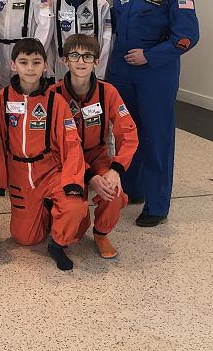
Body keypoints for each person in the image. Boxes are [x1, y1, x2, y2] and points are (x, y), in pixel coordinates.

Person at [107, 0, 199, 227]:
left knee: (156, 136)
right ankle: (133, 188)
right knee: (126, 132)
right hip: (122, 69)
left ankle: (157, 205)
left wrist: (150, 55)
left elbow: (187, 36)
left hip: (154, 74)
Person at [0, 38, 87, 271]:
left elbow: (72, 143)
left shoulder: (55, 101)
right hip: (20, 174)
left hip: (49, 170)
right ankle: (45, 210)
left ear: (45, 65)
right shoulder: (4, 97)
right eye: (24, 62)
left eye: (36, 62)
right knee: (25, 238)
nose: (30, 68)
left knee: (75, 208)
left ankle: (58, 243)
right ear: (13, 65)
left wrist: (73, 182)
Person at [54, 34, 139, 259]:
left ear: (97, 61)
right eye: (74, 56)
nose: (81, 62)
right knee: (74, 222)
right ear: (65, 60)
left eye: (87, 56)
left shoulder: (107, 92)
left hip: (96, 154)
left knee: (114, 192)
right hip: (64, 159)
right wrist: (89, 176)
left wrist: (116, 170)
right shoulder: (54, 94)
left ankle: (101, 234)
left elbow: (129, 133)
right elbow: (53, 143)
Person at [50, 0, 113, 79]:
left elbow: (106, 42)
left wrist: (99, 75)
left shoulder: (101, 5)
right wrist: (51, 73)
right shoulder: (54, 4)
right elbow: (50, 43)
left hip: (92, 71)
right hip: (62, 70)